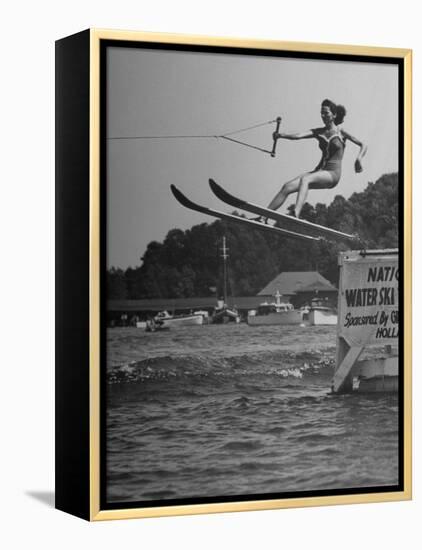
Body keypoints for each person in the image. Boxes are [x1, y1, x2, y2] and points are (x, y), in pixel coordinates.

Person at [264, 99, 367, 219]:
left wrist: (359, 159)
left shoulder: (341, 132)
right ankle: (263, 216)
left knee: (305, 179)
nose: (323, 116)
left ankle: (296, 213)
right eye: (321, 113)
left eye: (326, 113)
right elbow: (298, 135)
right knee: (287, 187)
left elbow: (363, 144)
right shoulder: (319, 132)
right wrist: (281, 135)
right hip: (319, 171)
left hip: (332, 174)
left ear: (334, 115)